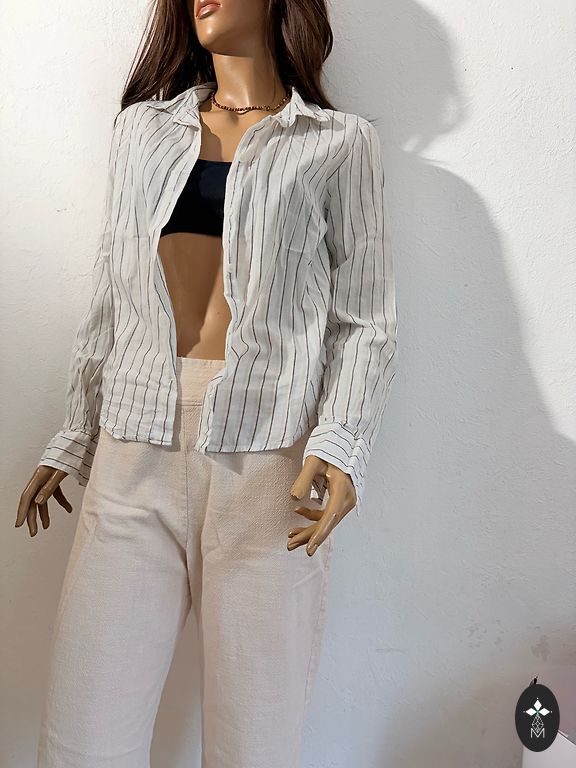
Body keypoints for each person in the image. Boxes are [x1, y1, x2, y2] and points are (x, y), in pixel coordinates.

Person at [16, 0, 397, 765]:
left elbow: (365, 319)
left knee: (256, 743)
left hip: (271, 469)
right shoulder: (142, 132)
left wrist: (340, 444)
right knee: (83, 739)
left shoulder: (339, 145)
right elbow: (112, 293)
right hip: (134, 448)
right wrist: (76, 434)